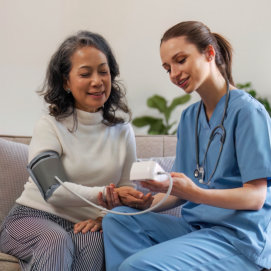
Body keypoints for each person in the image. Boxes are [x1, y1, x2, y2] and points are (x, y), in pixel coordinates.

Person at [102, 21, 271, 271]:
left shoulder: (248, 113)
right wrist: (147, 200)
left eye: (181, 60)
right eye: (167, 68)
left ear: (209, 53)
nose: (174, 74)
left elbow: (255, 198)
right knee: (118, 220)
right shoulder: (189, 118)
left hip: (238, 238)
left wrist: (194, 193)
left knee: (134, 266)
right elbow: (179, 189)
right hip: (196, 229)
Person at [0, 31, 153, 271]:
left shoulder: (123, 131)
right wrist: (105, 194)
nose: (97, 81)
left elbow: (127, 190)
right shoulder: (50, 125)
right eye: (85, 73)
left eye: (103, 71)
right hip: (33, 217)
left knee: (94, 242)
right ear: (65, 82)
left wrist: (105, 218)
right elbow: (54, 190)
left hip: (86, 223)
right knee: (56, 240)